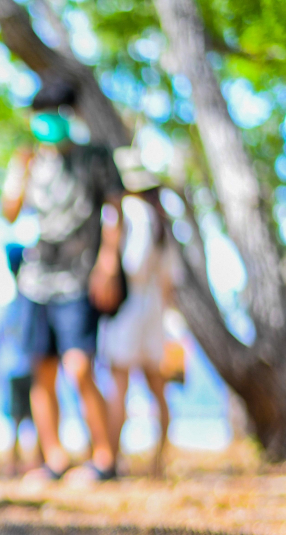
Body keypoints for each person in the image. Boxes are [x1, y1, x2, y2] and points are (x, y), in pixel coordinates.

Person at [0, 78, 124, 484]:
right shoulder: (30, 161)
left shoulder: (96, 157)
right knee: (42, 369)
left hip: (80, 278)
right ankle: (54, 459)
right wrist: (18, 171)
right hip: (37, 280)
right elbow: (9, 212)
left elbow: (114, 212)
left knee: (80, 367)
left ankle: (104, 459)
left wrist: (108, 265)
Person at [100, 150, 178, 479]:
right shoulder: (161, 218)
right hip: (154, 311)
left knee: (119, 383)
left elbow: (133, 265)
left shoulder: (130, 213)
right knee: (156, 387)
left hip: (130, 308)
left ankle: (111, 460)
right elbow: (170, 279)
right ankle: (159, 461)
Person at [0, 244, 36, 477]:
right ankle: (20, 464)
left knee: (21, 420)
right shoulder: (18, 303)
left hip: (18, 366)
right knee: (23, 419)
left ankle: (23, 463)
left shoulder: (13, 303)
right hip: (19, 366)